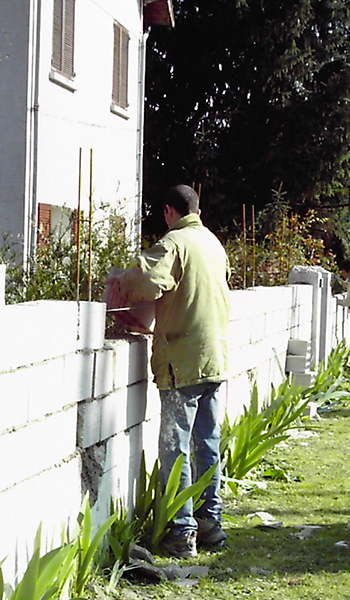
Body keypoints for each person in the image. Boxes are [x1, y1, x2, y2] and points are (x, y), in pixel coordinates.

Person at [106, 184, 231, 558]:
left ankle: (180, 532)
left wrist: (119, 281)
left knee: (175, 448)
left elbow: (148, 282)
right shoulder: (212, 243)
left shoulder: (174, 243)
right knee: (207, 444)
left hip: (183, 361)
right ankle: (211, 523)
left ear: (168, 212)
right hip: (214, 358)